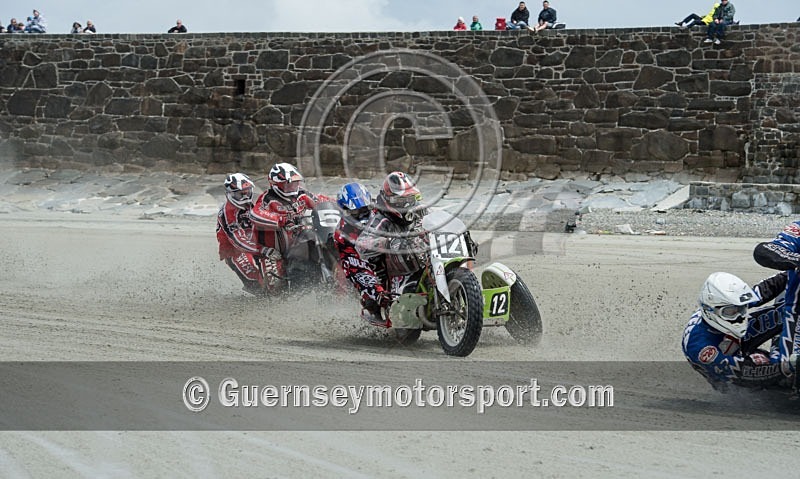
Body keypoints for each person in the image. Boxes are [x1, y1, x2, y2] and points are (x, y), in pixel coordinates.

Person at [683, 271, 787, 391]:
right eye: (730, 312)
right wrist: (785, 367)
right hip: (730, 376)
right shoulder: (700, 348)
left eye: (741, 309)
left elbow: (763, 290)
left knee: (788, 304)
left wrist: (792, 272)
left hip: (730, 338)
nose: (739, 316)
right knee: (763, 363)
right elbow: (745, 373)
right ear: (708, 311)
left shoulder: (724, 302)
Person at [355, 172, 428, 327]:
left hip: (421, 257)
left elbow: (435, 222)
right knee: (371, 262)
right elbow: (361, 244)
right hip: (394, 268)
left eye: (410, 200)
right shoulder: (381, 218)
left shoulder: (420, 211)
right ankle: (376, 302)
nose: (408, 206)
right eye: (402, 201)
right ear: (390, 200)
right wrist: (387, 242)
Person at [249, 163, 332, 281]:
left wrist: (341, 205)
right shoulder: (267, 199)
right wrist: (280, 219)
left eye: (296, 182)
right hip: (273, 252)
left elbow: (321, 201)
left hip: (298, 243)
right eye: (289, 184)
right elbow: (255, 214)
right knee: (275, 285)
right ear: (276, 184)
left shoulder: (302, 195)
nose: (294, 186)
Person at [333, 182, 392, 326]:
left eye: (364, 209)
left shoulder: (379, 213)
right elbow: (353, 262)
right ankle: (372, 306)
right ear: (345, 210)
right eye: (356, 212)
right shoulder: (342, 232)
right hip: (359, 260)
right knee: (369, 283)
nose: (361, 214)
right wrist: (376, 287)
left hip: (387, 252)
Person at [216, 173, 280, 296]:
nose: (245, 197)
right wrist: (263, 250)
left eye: (247, 192)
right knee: (255, 278)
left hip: (257, 243)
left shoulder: (252, 204)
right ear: (229, 194)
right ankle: (262, 300)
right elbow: (237, 240)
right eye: (240, 194)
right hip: (235, 251)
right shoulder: (227, 212)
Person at [753, 221, 800, 380]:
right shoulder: (798, 229)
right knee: (787, 369)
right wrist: (797, 259)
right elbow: (765, 250)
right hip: (796, 313)